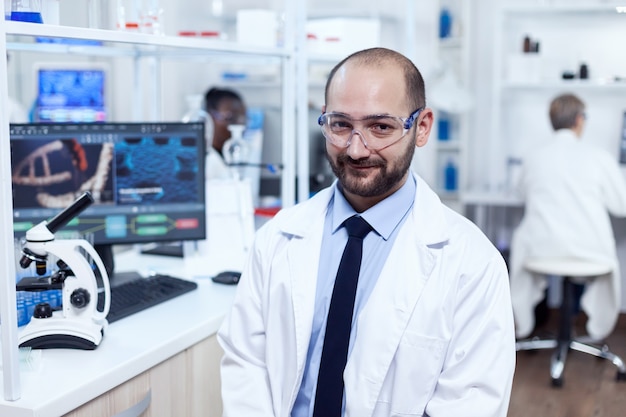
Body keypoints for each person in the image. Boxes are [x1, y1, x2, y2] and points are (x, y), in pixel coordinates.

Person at [217, 47, 515, 417]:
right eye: (340, 124)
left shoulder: (473, 264)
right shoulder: (278, 237)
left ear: (421, 127)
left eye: (380, 127)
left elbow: (471, 405)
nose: (356, 149)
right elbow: (246, 363)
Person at [509, 93, 626, 341]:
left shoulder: (534, 157)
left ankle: (548, 329)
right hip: (588, 255)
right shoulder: (598, 157)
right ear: (579, 120)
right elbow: (621, 206)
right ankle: (577, 326)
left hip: (540, 253)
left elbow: (520, 192)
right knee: (590, 261)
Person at [203, 87, 247, 179]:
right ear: (209, 117)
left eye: (243, 116)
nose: (240, 123)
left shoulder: (240, 152)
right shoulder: (204, 159)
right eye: (230, 117)